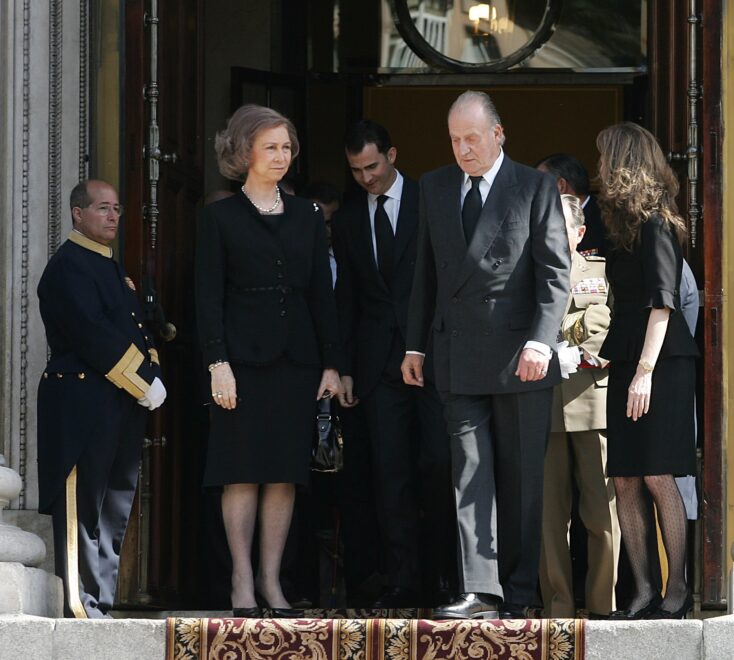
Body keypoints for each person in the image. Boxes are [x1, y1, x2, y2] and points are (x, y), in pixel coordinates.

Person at [402, 90, 571, 619]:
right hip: (457, 352)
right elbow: (424, 273)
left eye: (472, 138)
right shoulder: (434, 186)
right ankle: (482, 590)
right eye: (454, 139)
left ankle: (520, 591)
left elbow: (555, 271)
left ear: (498, 135)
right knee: (468, 474)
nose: (463, 149)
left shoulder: (536, 186)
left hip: (520, 354)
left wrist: (541, 341)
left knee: (521, 481)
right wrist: (414, 344)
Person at [195, 104, 342, 618]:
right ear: (243, 153)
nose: (281, 156)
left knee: (284, 473)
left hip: (297, 361)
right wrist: (217, 363)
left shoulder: (306, 215)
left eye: (286, 147)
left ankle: (271, 581)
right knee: (241, 471)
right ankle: (240, 580)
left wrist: (331, 363)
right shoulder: (219, 217)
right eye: (270, 147)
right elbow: (207, 297)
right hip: (240, 363)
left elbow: (323, 294)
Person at [332, 120, 454, 607]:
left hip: (434, 359)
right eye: (358, 170)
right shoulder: (346, 221)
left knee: (440, 468)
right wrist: (341, 366)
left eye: (373, 166)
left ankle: (448, 580)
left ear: (393, 155)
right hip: (377, 367)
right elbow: (348, 300)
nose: (367, 178)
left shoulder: (432, 201)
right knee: (391, 476)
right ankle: (403, 580)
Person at [37, 179, 167, 619]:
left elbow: (135, 328)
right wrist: (143, 381)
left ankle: (101, 602)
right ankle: (81, 605)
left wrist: (152, 374)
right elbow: (93, 334)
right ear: (78, 214)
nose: (112, 217)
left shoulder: (109, 265)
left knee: (115, 503)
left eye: (116, 209)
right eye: (102, 209)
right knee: (83, 507)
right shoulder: (69, 266)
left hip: (116, 401)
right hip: (81, 403)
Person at [596, 122, 698, 620]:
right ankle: (641, 591)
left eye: (603, 158)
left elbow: (663, 306)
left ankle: (677, 590)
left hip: (659, 360)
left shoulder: (658, 223)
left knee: (658, 473)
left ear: (620, 162)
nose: (597, 167)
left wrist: (644, 372)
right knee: (625, 479)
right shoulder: (619, 224)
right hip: (630, 355)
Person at [539, 194, 620, 618]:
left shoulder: (599, 270)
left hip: (591, 399)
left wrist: (561, 338)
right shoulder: (528, 271)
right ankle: (559, 608)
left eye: (562, 227)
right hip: (544, 405)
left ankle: (603, 606)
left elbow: (604, 320)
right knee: (550, 519)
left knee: (600, 512)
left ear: (580, 232)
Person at [537, 153, 609, 257]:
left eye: (540, 185)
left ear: (561, 186)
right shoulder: (540, 219)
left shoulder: (606, 220)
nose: (535, 192)